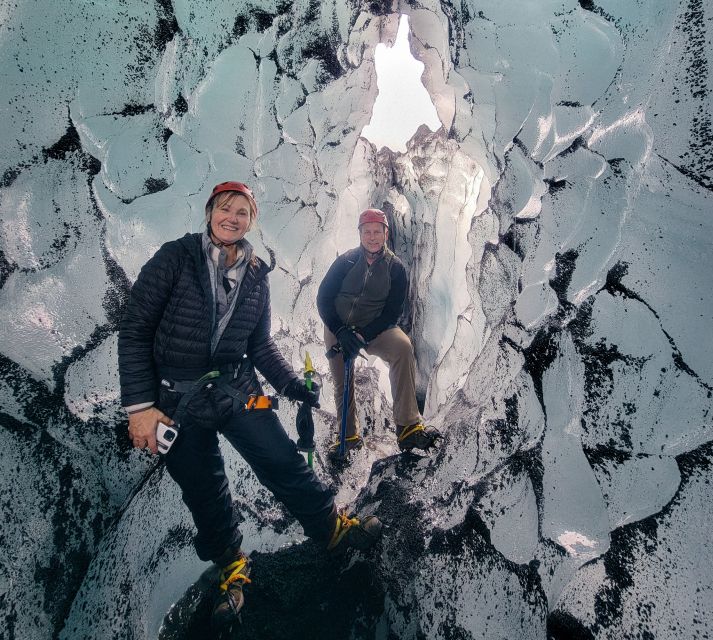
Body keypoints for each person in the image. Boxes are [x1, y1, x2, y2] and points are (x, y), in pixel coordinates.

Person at [118, 182, 381, 627]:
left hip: (234, 389)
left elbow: (259, 347)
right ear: (210, 212)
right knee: (204, 488)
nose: (233, 218)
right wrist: (139, 408)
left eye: (242, 212)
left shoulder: (256, 276)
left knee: (281, 459)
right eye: (226, 209)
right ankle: (231, 565)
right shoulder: (176, 257)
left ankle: (330, 528)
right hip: (176, 400)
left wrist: (293, 386)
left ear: (251, 221)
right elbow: (135, 327)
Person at [316, 208, 442, 459]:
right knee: (342, 378)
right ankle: (348, 436)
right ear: (360, 234)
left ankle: (407, 427)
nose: (372, 237)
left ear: (386, 233)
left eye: (377, 232)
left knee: (402, 347)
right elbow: (324, 298)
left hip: (375, 328)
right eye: (367, 232)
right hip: (338, 326)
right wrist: (341, 332)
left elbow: (391, 313)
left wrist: (362, 336)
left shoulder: (396, 268)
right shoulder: (346, 261)